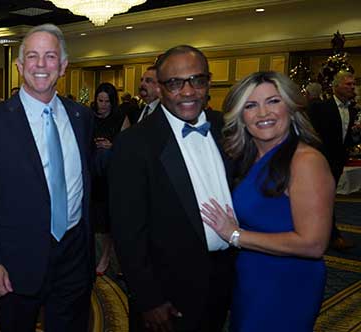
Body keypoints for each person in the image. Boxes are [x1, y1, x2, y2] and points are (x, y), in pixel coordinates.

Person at [0, 23, 94, 332]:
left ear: (63, 66)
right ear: (19, 65)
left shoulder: (81, 117)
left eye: (50, 56)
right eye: (33, 56)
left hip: (74, 256)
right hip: (15, 262)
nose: (41, 65)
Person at [108, 45, 234, 332]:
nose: (188, 91)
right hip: (167, 292)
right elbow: (128, 233)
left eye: (197, 80)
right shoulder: (134, 144)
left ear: (208, 82)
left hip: (225, 278)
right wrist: (148, 299)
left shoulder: (225, 128)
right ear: (161, 88)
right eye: (176, 83)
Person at [200, 71, 331, 331]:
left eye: (273, 101)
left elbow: (313, 244)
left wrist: (235, 235)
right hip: (252, 277)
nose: (263, 113)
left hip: (286, 282)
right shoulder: (250, 159)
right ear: (240, 115)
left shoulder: (305, 160)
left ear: (291, 107)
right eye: (251, 105)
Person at [308, 70, 358, 250]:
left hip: (338, 162)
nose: (353, 88)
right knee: (322, 199)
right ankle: (330, 235)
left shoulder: (352, 110)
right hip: (320, 162)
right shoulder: (321, 107)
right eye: (348, 84)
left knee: (328, 199)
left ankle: (325, 234)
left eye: (353, 84)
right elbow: (312, 136)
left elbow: (346, 139)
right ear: (336, 86)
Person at [91, 82, 129, 276]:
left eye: (107, 101)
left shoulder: (120, 118)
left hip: (111, 177)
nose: (103, 105)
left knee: (108, 222)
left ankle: (106, 257)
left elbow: (127, 149)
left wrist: (111, 146)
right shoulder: (89, 117)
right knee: (93, 221)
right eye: (100, 100)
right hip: (91, 175)